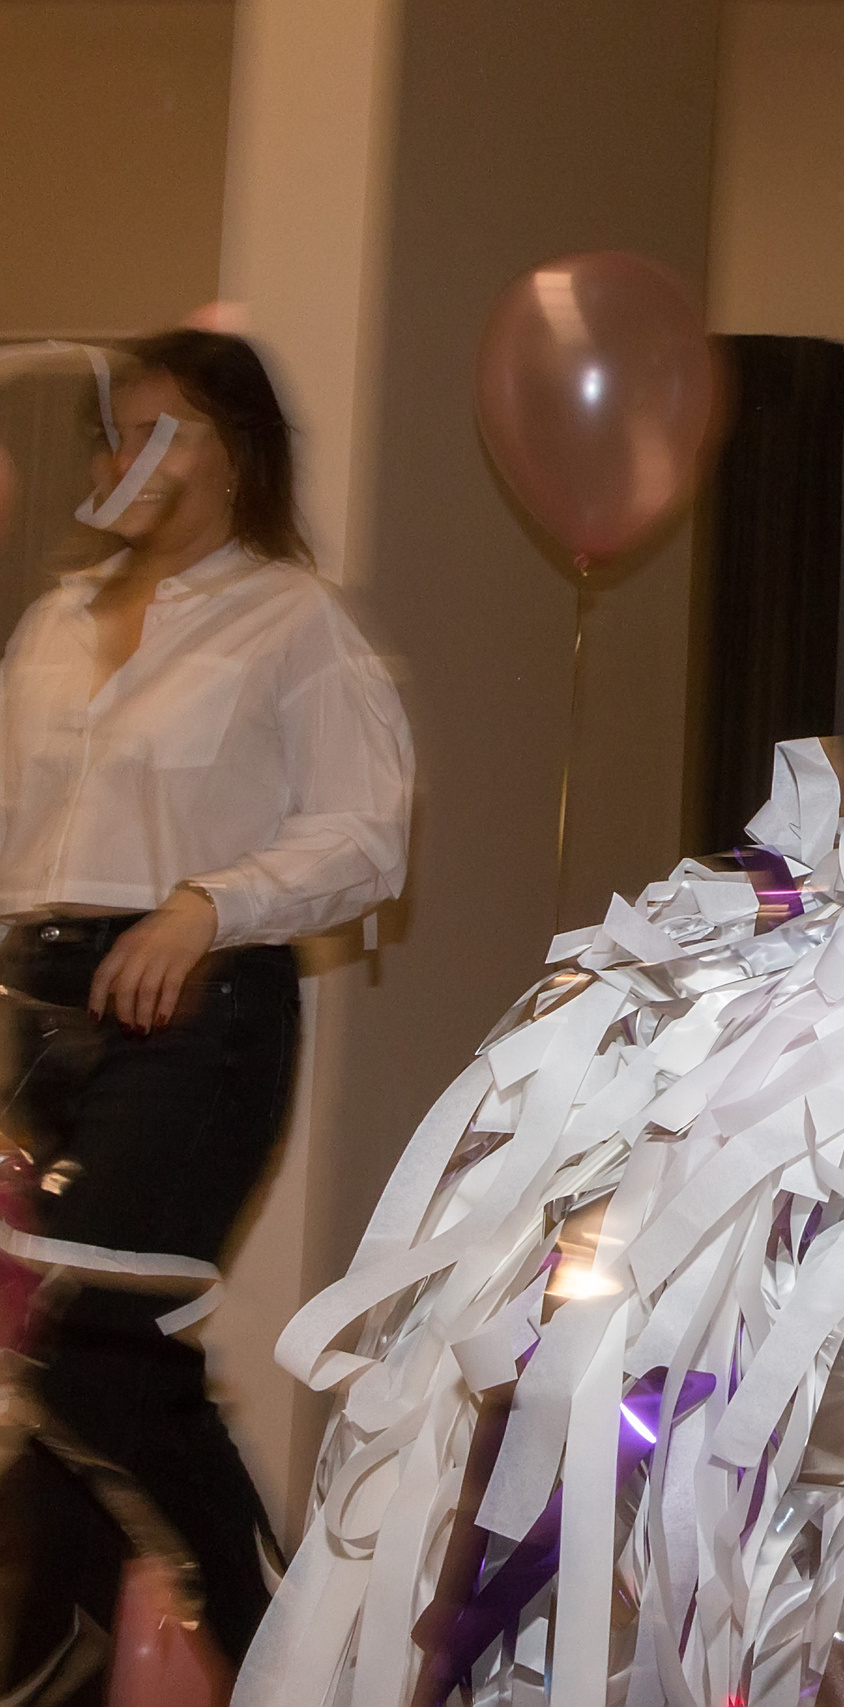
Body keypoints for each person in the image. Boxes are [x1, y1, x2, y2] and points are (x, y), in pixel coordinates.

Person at [0, 330, 413, 1687]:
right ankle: (63, 1658)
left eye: (161, 431)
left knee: (91, 1337)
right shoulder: (55, 623)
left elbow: (368, 835)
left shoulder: (295, 621)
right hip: (33, 1011)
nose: (127, 457)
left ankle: (267, 1654)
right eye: (116, 434)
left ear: (235, 450)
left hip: (191, 1017)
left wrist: (207, 903)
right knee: (55, 1358)